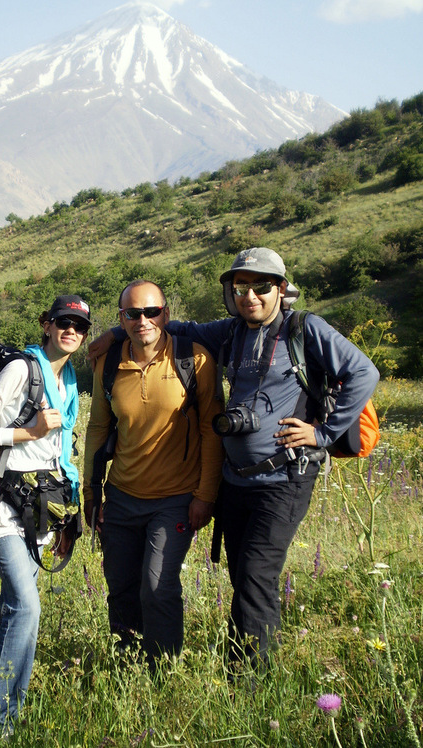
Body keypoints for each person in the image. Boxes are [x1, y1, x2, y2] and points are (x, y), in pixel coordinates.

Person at [88, 249, 379, 670]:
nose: (250, 296)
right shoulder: (231, 331)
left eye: (262, 287)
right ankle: (222, 668)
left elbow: (364, 373)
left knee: (255, 580)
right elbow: (170, 325)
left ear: (281, 289)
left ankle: (247, 682)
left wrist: (323, 433)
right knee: (240, 578)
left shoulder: (304, 329)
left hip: (284, 478)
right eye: (241, 287)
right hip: (236, 480)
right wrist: (117, 335)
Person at [0, 294, 91, 737]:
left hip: (41, 506)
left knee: (13, 612)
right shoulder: (22, 369)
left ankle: (4, 711)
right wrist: (29, 430)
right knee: (27, 606)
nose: (71, 330)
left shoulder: (68, 377)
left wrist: (69, 512)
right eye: (63, 321)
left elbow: (59, 448)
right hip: (4, 504)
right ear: (46, 324)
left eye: (80, 325)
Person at [83, 280, 223, 667]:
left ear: (165, 313)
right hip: (122, 497)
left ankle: (162, 673)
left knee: (158, 588)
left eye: (151, 312)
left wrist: (205, 495)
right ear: (122, 319)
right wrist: (91, 496)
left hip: (175, 500)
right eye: (132, 313)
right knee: (121, 587)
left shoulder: (193, 360)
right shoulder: (108, 364)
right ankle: (129, 668)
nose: (142, 320)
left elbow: (212, 428)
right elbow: (97, 428)